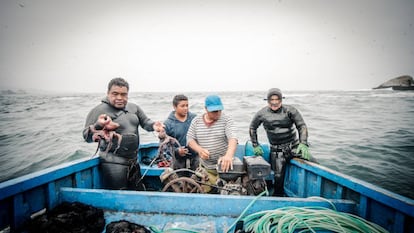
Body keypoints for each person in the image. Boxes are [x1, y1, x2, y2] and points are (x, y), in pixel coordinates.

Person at [82, 77, 164, 190]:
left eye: (123, 94)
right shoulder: (99, 110)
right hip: (112, 163)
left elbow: (146, 122)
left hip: (134, 162)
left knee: (138, 193)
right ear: (108, 93)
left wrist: (154, 126)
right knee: (120, 197)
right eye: (115, 94)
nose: (119, 98)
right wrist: (98, 125)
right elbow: (86, 136)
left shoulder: (134, 108)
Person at [249, 88, 314, 196]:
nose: (274, 102)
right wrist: (255, 145)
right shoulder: (261, 113)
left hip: (294, 147)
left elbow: (301, 126)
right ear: (267, 100)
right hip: (277, 151)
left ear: (281, 99)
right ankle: (278, 198)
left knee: (312, 162)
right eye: (271, 100)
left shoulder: (290, 110)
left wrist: (303, 143)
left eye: (277, 99)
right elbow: (252, 128)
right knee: (278, 178)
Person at [187, 95, 238, 193]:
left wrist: (228, 155)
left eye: (219, 110)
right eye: (214, 111)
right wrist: (199, 150)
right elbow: (190, 139)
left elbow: (233, 138)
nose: (218, 113)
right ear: (206, 109)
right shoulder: (196, 121)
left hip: (224, 169)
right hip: (205, 168)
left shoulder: (227, 120)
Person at [163, 94, 199, 171]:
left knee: (197, 181)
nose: (186, 108)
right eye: (182, 106)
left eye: (187, 105)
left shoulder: (195, 119)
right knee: (179, 182)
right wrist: (177, 151)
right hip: (178, 162)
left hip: (196, 159)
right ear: (174, 107)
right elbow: (165, 147)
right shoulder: (168, 124)